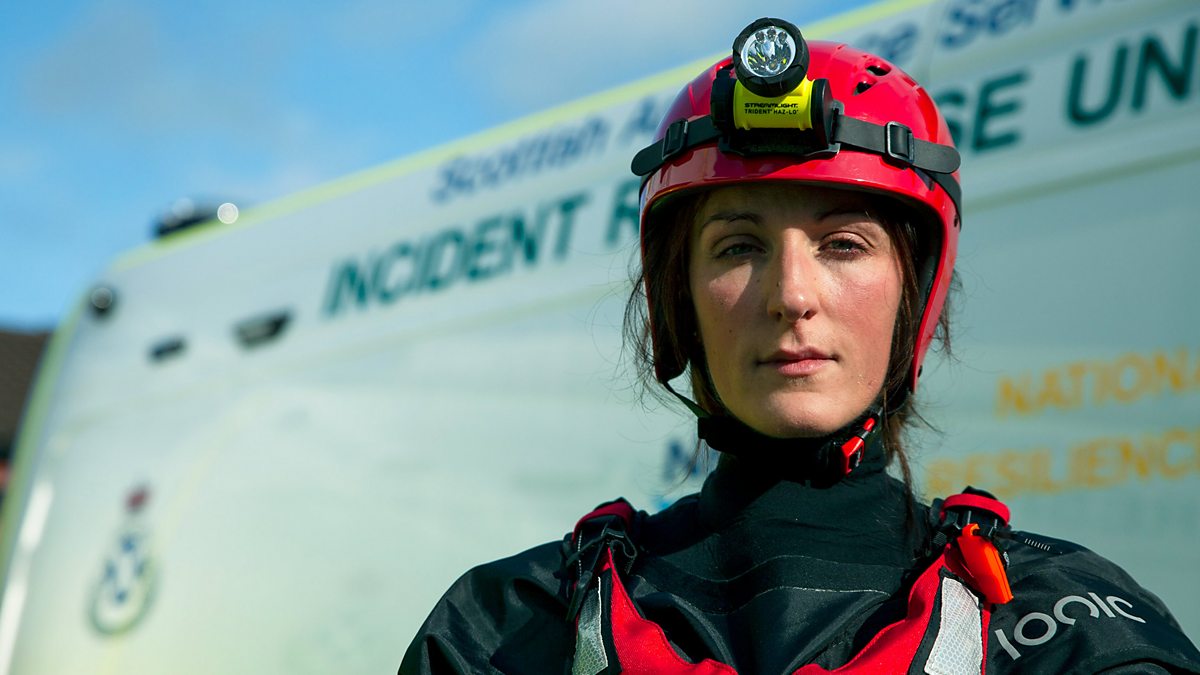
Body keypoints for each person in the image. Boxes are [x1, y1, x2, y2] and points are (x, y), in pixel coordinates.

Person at [399, 18, 1200, 674]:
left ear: (912, 293)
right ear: (680, 298)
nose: (791, 295)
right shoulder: (507, 626)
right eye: (738, 247)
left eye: (844, 244)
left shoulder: (1063, 621)